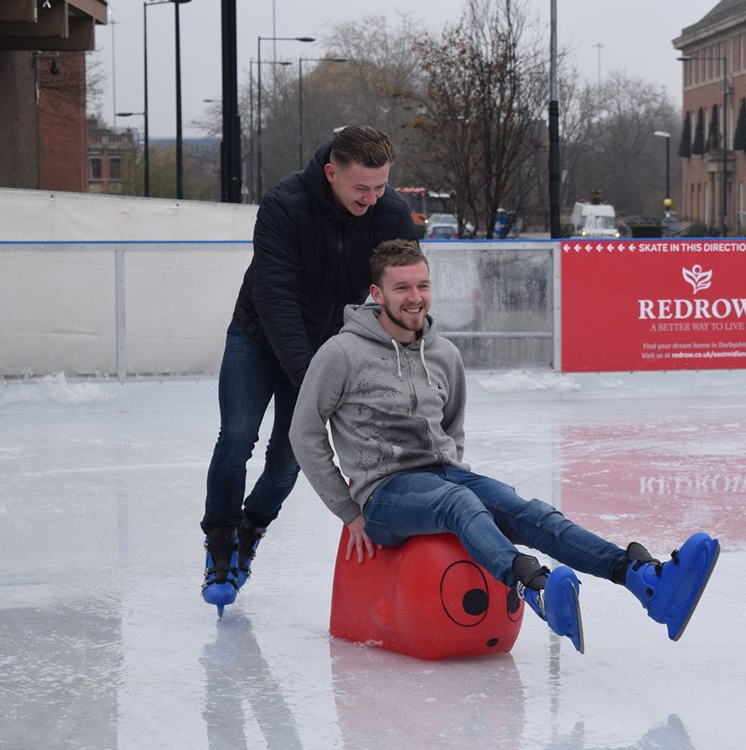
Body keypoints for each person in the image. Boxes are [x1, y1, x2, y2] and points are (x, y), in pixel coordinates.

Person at [288, 239, 720, 652]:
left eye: (422, 285)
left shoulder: (442, 353)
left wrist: (447, 472)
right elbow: (304, 432)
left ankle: (644, 581)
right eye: (401, 287)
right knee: (457, 503)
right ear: (377, 293)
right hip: (383, 494)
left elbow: (452, 425)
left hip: (444, 475)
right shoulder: (341, 354)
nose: (414, 297)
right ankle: (532, 587)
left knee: (531, 513)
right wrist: (348, 510)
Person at [201, 125, 419, 616]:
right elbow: (274, 297)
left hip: (327, 346)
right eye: (360, 188)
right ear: (331, 172)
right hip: (257, 336)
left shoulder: (392, 214)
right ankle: (219, 547)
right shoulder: (285, 203)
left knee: (288, 458)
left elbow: (404, 290)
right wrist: (312, 380)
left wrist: (405, 354)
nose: (371, 198)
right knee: (237, 437)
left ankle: (250, 529)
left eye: (380, 186)